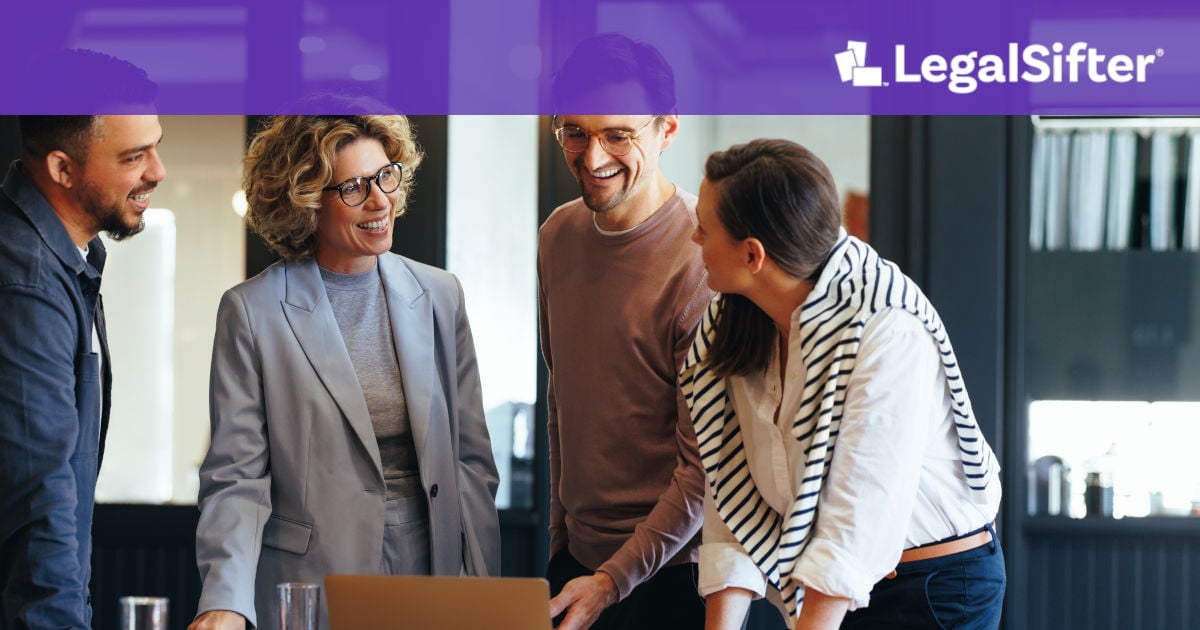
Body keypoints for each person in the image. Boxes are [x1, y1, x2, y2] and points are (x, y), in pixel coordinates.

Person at [191, 115, 500, 630]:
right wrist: (225, 600)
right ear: (306, 200)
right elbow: (236, 479)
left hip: (433, 570)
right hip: (313, 581)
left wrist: (483, 592)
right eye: (353, 188)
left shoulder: (440, 295)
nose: (380, 200)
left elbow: (472, 465)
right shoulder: (253, 311)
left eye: (386, 176)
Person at [683, 138, 1005, 630]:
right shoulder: (737, 321)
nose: (692, 239)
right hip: (841, 586)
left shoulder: (886, 326)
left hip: (935, 587)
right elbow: (731, 492)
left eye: (704, 229)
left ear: (753, 255)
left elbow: (858, 518)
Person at [538, 33, 713, 630]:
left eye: (618, 134)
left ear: (667, 130)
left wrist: (614, 581)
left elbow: (703, 469)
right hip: (575, 566)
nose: (593, 158)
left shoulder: (701, 259)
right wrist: (561, 545)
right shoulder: (557, 235)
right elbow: (562, 401)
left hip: (674, 579)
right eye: (575, 132)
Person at [0, 51, 164, 629]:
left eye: (155, 146)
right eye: (133, 156)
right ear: (63, 169)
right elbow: (37, 497)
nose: (157, 170)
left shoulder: (67, 260)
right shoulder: (25, 279)